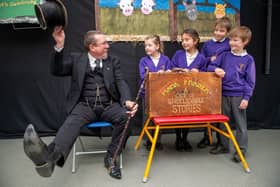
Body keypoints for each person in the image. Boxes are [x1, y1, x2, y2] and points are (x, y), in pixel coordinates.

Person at [23, 26, 138, 179]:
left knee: (127, 116)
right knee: (71, 123)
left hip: (109, 105)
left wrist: (127, 101)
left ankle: (111, 157)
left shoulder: (113, 61)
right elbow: (57, 70)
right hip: (85, 106)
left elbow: (120, 81)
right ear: (92, 47)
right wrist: (59, 46)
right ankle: (50, 158)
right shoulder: (77, 59)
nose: (107, 46)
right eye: (104, 43)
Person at [207, 26, 256, 163]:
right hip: (223, 95)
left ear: (245, 42)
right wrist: (216, 69)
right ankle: (223, 146)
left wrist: (246, 98)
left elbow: (250, 81)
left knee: (240, 125)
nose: (232, 43)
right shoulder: (224, 55)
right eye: (230, 40)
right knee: (222, 122)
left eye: (236, 40)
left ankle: (241, 150)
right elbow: (209, 66)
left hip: (239, 96)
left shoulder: (249, 60)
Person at [169, 28, 207, 152]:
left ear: (195, 41)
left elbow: (206, 74)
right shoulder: (178, 55)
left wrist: (199, 72)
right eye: (182, 40)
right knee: (178, 113)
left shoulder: (201, 58)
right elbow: (171, 68)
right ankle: (178, 139)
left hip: (193, 92)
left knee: (187, 115)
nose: (184, 42)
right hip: (178, 90)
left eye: (187, 40)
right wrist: (179, 70)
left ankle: (185, 139)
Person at [197, 16, 232, 149]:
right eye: (216, 30)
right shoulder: (207, 44)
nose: (218, 33)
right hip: (209, 80)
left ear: (227, 32)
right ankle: (207, 137)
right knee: (208, 110)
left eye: (221, 31)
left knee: (220, 113)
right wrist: (210, 60)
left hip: (222, 83)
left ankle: (221, 142)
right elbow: (202, 61)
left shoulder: (229, 44)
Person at [139, 35, 171, 151]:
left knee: (159, 117)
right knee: (147, 117)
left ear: (157, 46)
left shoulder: (165, 59)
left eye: (149, 45)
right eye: (145, 46)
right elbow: (143, 76)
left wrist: (167, 73)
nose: (147, 48)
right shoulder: (143, 61)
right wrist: (158, 74)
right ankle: (148, 140)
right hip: (147, 93)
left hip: (162, 94)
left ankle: (157, 140)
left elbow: (170, 75)